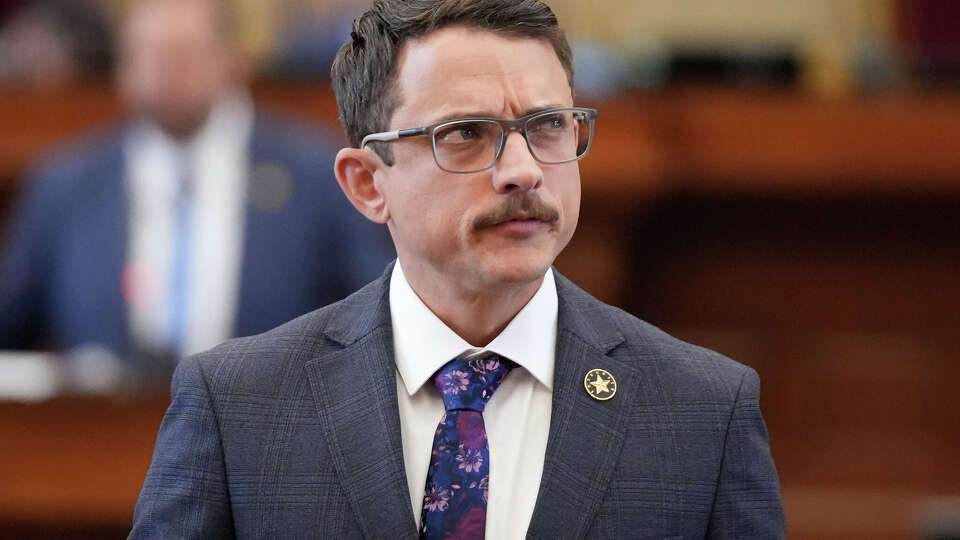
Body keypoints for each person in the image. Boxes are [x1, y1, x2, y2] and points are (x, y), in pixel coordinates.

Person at [130, 0, 785, 538]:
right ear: (367, 184)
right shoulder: (238, 406)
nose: (524, 170)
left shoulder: (704, 412)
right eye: (467, 133)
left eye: (549, 125)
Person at [0, 0, 393, 372]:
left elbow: (372, 318)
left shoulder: (313, 174)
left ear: (231, 59)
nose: (163, 73)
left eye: (181, 55)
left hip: (269, 427)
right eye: (147, 54)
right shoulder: (66, 184)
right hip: (99, 433)